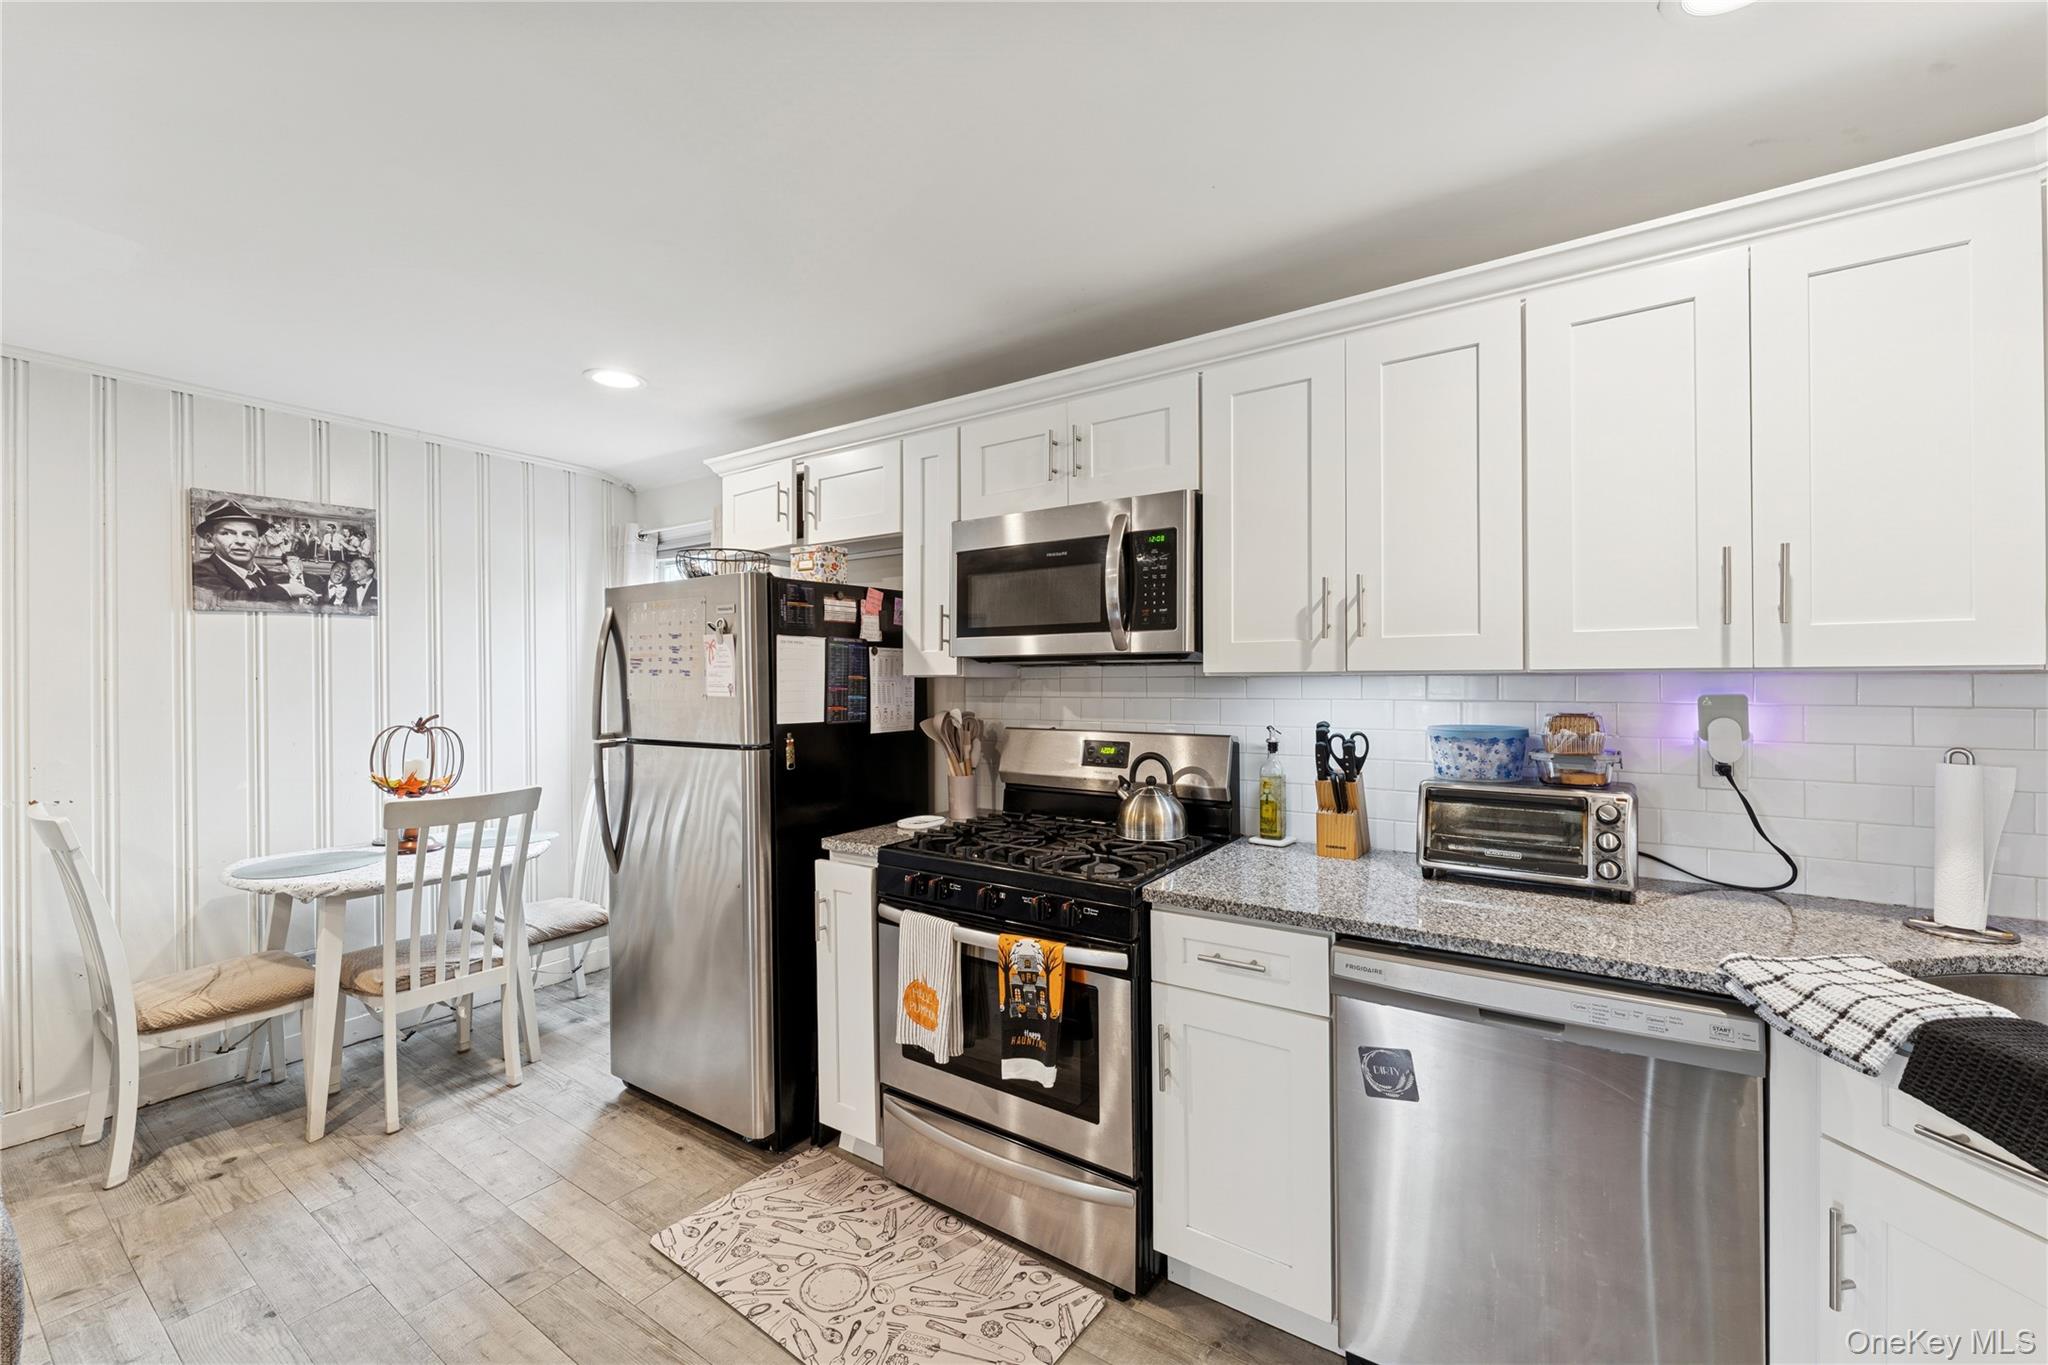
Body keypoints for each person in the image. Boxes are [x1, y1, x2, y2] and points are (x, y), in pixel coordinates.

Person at [191, 498, 314, 606]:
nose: (240, 541)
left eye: (249, 535)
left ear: (258, 541)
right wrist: (287, 590)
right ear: (209, 540)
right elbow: (225, 601)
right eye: (227, 533)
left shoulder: (264, 572)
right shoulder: (200, 571)